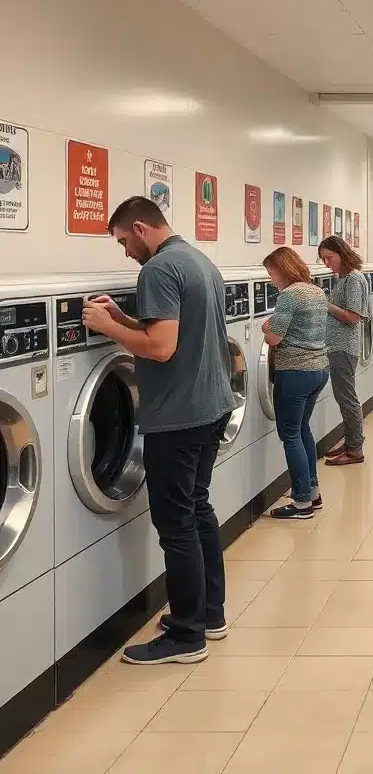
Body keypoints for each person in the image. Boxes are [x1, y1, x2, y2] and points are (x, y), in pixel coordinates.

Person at [82, 196, 234, 665]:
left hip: (178, 416)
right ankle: (209, 614)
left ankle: (187, 636)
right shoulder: (199, 261)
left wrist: (107, 328)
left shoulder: (158, 269)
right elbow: (172, 332)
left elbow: (161, 347)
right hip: (211, 406)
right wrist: (123, 319)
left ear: (141, 229)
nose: (126, 251)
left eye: (124, 241)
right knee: (198, 509)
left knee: (176, 523)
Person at [261, 246, 329, 517]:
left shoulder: (288, 296)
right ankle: (313, 493)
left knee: (290, 435)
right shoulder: (316, 291)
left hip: (295, 372)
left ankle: (301, 502)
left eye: (271, 273)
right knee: (302, 429)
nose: (271, 279)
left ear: (282, 269)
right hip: (318, 370)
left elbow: (274, 338)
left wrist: (266, 329)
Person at [318, 235, 370, 466]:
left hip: (343, 347)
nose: (326, 263)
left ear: (342, 253)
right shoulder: (344, 278)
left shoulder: (353, 279)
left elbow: (353, 317)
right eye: (323, 259)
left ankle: (355, 449)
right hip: (337, 346)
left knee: (347, 398)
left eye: (329, 257)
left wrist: (325, 304)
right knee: (343, 397)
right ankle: (350, 442)